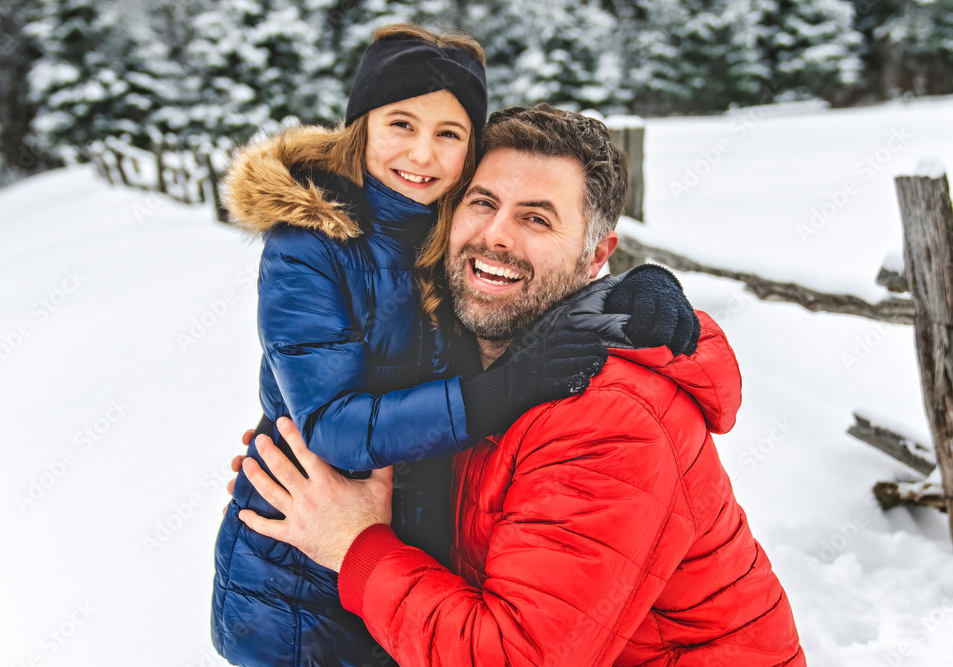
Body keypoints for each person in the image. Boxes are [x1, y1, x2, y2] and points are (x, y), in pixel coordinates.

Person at [235, 104, 807, 665]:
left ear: (596, 258)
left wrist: (353, 545)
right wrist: (321, 474)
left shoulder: (610, 419)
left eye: (537, 218)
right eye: (482, 203)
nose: (496, 236)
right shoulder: (466, 360)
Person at [211, 26, 700, 667]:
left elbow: (538, 285)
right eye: (400, 124)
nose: (422, 153)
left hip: (402, 560)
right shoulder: (310, 244)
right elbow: (329, 424)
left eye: (449, 133)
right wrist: (498, 394)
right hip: (299, 574)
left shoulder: (449, 228)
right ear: (361, 125)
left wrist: (633, 288)